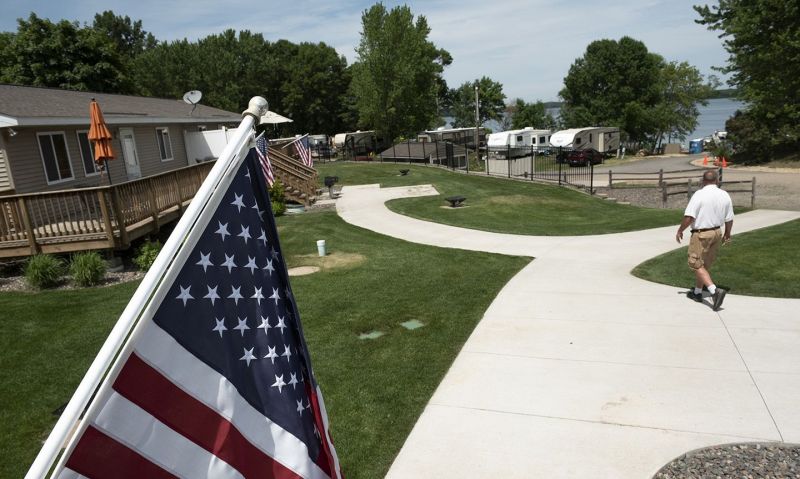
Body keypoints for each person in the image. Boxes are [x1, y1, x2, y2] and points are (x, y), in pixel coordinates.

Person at [675, 169, 734, 311]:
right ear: (717, 180)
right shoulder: (724, 194)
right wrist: (727, 233)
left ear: (703, 180)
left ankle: (714, 291)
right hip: (716, 233)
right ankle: (697, 293)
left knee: (695, 263)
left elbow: (689, 217)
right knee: (704, 265)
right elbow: (729, 218)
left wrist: (680, 230)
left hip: (701, 234)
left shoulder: (699, 194)